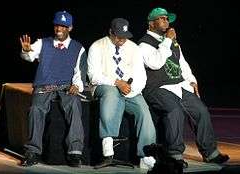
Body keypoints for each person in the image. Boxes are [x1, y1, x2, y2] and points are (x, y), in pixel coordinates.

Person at [138, 7, 229, 167]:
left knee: (201, 111)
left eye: (167, 18)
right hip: (157, 88)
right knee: (175, 111)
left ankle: (210, 153)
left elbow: (182, 63)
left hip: (178, 85)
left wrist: (191, 80)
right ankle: (175, 154)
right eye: (162, 18)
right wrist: (167, 41)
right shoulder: (143, 44)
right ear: (151, 23)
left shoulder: (172, 42)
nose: (166, 21)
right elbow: (155, 63)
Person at [19, 11, 87, 167]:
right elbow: (29, 57)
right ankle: (33, 151)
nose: (59, 29)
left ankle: (74, 152)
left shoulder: (78, 48)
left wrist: (77, 86)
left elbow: (79, 72)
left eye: (63, 26)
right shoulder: (43, 43)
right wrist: (26, 50)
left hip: (65, 86)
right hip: (45, 85)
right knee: (36, 109)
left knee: (75, 106)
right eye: (57, 25)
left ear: (70, 28)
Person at [87, 18, 156, 169]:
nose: (122, 40)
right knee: (112, 94)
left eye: (124, 36)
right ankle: (108, 149)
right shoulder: (97, 46)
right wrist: (117, 82)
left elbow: (141, 76)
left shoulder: (134, 48)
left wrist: (131, 90)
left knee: (144, 111)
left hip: (129, 91)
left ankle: (146, 155)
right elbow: (93, 76)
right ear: (110, 32)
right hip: (104, 86)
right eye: (118, 36)